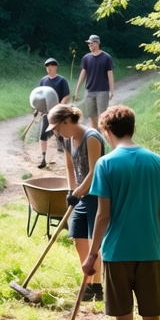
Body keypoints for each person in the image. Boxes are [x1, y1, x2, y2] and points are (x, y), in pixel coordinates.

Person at [81, 105, 160, 320]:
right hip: (150, 251)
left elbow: (102, 216)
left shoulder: (106, 164)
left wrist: (91, 255)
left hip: (117, 253)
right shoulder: (155, 161)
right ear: (132, 127)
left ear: (107, 131)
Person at [47, 103, 106, 301]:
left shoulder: (92, 137)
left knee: (93, 240)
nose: (56, 132)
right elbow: (70, 168)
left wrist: (78, 192)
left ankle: (96, 286)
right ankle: (88, 281)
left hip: (97, 194)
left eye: (57, 127)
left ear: (67, 121)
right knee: (77, 236)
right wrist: (71, 191)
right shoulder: (67, 140)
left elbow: (94, 172)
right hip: (81, 195)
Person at [36, 58, 71, 168]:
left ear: (56, 67)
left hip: (57, 110)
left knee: (60, 131)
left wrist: (61, 105)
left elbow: (66, 94)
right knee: (43, 134)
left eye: (51, 65)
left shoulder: (61, 80)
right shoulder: (43, 80)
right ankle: (43, 157)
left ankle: (67, 154)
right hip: (46, 111)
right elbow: (39, 96)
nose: (49, 68)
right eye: (47, 66)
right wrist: (37, 108)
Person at [74, 35, 114, 128]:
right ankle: (94, 135)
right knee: (91, 115)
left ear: (97, 43)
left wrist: (112, 90)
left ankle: (102, 137)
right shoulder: (86, 58)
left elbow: (110, 74)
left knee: (102, 115)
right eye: (88, 44)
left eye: (91, 43)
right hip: (89, 91)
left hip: (102, 91)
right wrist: (77, 89)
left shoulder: (106, 57)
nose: (89, 45)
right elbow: (83, 73)